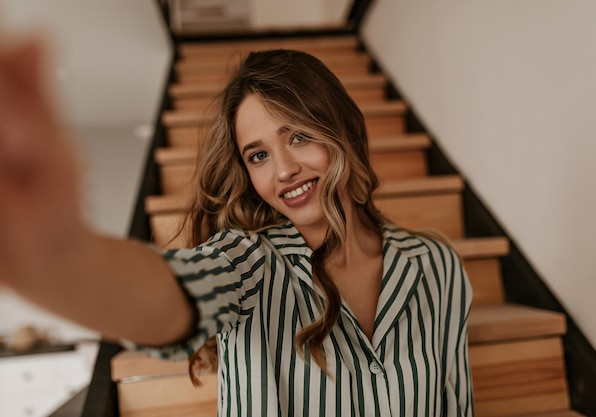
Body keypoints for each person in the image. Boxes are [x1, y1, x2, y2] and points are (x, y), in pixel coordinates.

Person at [0, 38, 474, 416]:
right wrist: (62, 258)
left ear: (343, 131)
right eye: (259, 155)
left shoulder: (435, 265)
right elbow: (173, 293)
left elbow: (457, 404)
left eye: (300, 136)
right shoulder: (248, 261)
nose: (284, 169)